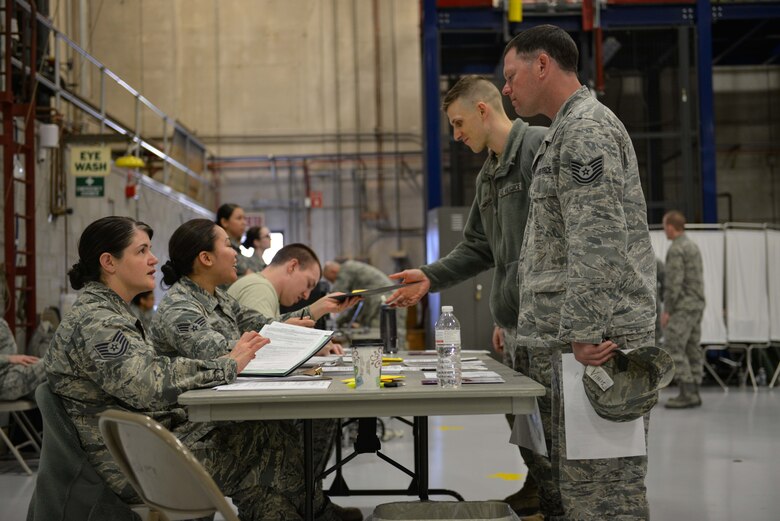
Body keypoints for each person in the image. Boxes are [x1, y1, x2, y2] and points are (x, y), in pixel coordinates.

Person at [42, 216, 316, 520]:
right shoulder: (98, 321)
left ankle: (311, 512)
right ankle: (316, 512)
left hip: (143, 443)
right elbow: (147, 385)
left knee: (265, 437)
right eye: (141, 251)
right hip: (129, 462)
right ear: (109, 262)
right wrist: (224, 366)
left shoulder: (111, 312)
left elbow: (153, 371)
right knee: (267, 448)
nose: (154, 259)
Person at [502, 25, 656, 520]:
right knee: (567, 492)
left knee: (601, 494)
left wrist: (586, 330)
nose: (507, 89)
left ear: (541, 64)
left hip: (594, 349)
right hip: (566, 347)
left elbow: (599, 238)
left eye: (511, 76)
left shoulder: (586, 129)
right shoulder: (564, 131)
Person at [385, 75, 546, 517]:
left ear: (482, 110)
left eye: (458, 124)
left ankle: (563, 497)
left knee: (557, 424)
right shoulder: (489, 175)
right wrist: (428, 277)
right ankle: (540, 486)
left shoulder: (539, 149)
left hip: (552, 324)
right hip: (517, 325)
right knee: (525, 421)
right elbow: (479, 247)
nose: (456, 135)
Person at [150, 219, 359, 521]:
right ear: (205, 258)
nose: (235, 252)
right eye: (227, 245)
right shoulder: (181, 307)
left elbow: (263, 326)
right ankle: (312, 507)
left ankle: (304, 508)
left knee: (275, 435)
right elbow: (222, 353)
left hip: (216, 416)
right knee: (271, 435)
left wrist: (319, 308)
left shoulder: (218, 298)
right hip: (190, 426)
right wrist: (275, 338)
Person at [661, 210, 705, 409]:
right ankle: (694, 388)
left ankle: (687, 392)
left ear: (670, 226)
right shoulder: (692, 246)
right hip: (696, 304)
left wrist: (667, 310)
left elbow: (674, 283)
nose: (664, 231)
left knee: (673, 345)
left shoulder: (677, 249)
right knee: (692, 347)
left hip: (683, 306)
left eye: (664, 227)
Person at [323, 260, 406, 347]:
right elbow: (355, 304)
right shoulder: (353, 273)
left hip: (386, 302)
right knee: (388, 337)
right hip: (386, 301)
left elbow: (335, 295)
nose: (333, 283)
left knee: (385, 337)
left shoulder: (346, 268)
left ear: (333, 271)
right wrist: (341, 321)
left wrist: (321, 307)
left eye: (332, 280)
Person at [0, 318, 46, 400]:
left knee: (53, 390)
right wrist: (8, 358)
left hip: (14, 370)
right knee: (50, 363)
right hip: (4, 378)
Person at [216, 202, 253, 277]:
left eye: (244, 219)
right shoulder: (218, 247)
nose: (244, 223)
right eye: (239, 218)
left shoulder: (236, 247)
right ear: (224, 222)